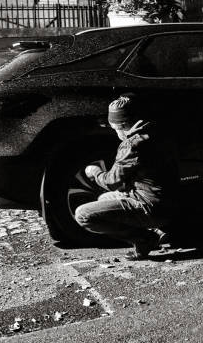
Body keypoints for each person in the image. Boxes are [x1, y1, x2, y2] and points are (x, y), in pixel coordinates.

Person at [74, 93, 179, 260]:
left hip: (152, 207)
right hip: (170, 201)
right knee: (103, 199)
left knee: (83, 214)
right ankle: (157, 230)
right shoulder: (155, 131)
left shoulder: (132, 145)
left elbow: (111, 182)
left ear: (122, 125)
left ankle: (144, 238)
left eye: (115, 129)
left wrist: (94, 172)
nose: (115, 133)